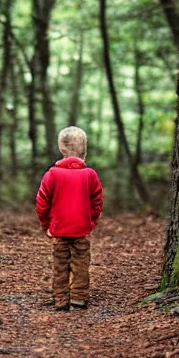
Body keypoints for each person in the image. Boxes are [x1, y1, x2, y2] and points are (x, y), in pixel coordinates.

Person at [35, 126, 103, 311]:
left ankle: (61, 299)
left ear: (61, 148)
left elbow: (41, 202)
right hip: (81, 230)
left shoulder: (52, 174)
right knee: (81, 264)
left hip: (59, 230)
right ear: (84, 149)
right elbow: (97, 201)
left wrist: (46, 225)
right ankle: (79, 297)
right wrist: (91, 222)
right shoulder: (90, 175)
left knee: (60, 265)